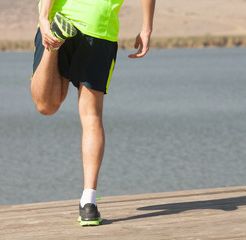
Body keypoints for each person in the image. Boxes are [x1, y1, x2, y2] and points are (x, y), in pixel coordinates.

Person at [30, 0, 156, 226]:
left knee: (47, 105)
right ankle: (89, 202)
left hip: (61, 14)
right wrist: (146, 28)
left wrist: (44, 17)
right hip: (99, 24)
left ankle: (54, 46)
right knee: (91, 116)